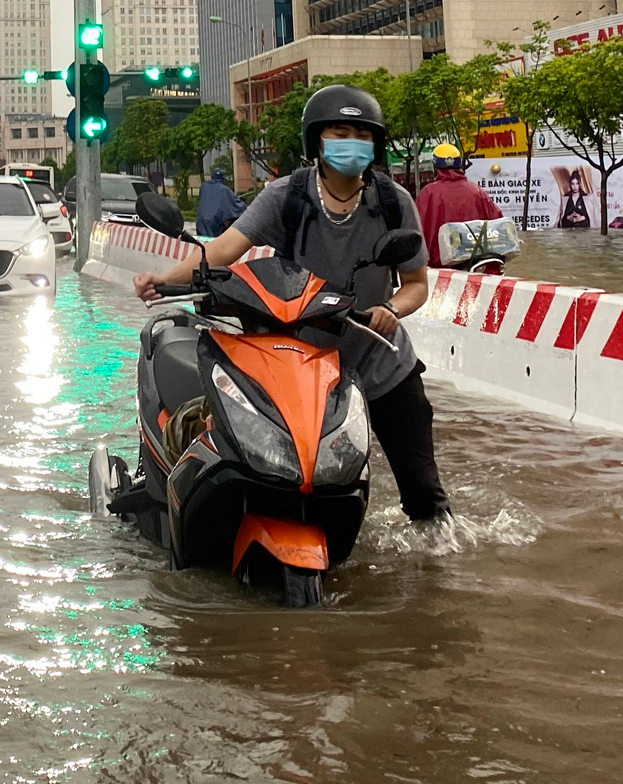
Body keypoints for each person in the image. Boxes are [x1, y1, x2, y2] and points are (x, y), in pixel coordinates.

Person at [132, 83, 450, 525]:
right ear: (316, 141)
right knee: (280, 476)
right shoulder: (288, 196)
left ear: (376, 144)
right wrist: (164, 278)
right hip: (301, 365)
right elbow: (225, 247)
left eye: (360, 134)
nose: (349, 144)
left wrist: (392, 310)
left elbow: (416, 283)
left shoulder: (393, 204)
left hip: (378, 364)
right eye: (337, 133)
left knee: (423, 495)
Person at [416, 143, 502, 262]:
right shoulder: (477, 191)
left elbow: (417, 231)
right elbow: (498, 224)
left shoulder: (428, 193)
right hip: (477, 262)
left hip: (440, 267)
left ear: (435, 168)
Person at [195, 167, 246, 239]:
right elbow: (237, 205)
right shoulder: (224, 190)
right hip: (214, 224)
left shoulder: (204, 186)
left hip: (200, 221)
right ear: (222, 179)